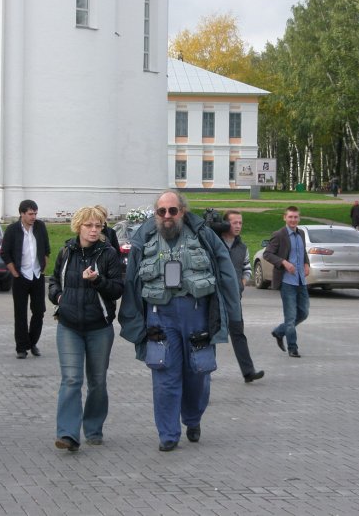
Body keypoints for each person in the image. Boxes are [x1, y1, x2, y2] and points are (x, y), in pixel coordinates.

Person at [119, 190, 241, 452]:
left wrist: (234, 314)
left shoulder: (203, 235)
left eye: (172, 211)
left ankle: (193, 419)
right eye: (161, 211)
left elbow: (226, 273)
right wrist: (131, 320)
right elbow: (131, 282)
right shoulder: (145, 237)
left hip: (196, 313)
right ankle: (168, 434)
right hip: (159, 316)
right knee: (164, 374)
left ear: (182, 212)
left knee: (198, 373)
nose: (166, 216)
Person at [47, 206, 123, 451]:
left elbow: (117, 289)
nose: (93, 230)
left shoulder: (108, 254)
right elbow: (54, 280)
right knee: (71, 379)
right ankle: (68, 434)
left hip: (99, 327)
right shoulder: (66, 251)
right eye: (89, 225)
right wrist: (58, 297)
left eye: (98, 226)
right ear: (78, 226)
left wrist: (97, 280)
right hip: (69, 326)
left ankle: (93, 428)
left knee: (97, 381)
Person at [0, 200, 50, 359]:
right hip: (21, 276)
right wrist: (14, 272)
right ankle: (21, 347)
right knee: (20, 313)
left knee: (39, 311)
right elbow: (5, 253)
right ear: (21, 214)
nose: (33, 217)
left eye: (35, 213)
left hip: (36, 275)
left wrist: (43, 268)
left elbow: (47, 250)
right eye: (30, 214)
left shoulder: (40, 227)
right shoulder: (13, 229)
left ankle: (32, 342)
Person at [219, 210, 264, 383]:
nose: (238, 226)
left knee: (238, 333)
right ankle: (203, 370)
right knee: (209, 335)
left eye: (240, 223)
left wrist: (242, 283)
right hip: (214, 297)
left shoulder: (242, 247)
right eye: (234, 222)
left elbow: (247, 268)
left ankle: (248, 371)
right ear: (225, 224)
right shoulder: (213, 243)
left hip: (234, 299)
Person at [263, 206, 310, 358]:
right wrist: (283, 262)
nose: (293, 220)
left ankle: (279, 332)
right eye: (290, 217)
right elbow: (267, 254)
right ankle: (293, 348)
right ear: (285, 218)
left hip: (301, 280)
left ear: (299, 218)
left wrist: (306, 263)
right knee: (290, 317)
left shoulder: (301, 233)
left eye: (296, 217)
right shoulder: (279, 235)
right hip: (287, 281)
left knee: (303, 313)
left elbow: (302, 252)